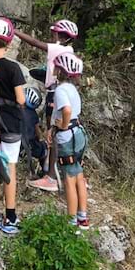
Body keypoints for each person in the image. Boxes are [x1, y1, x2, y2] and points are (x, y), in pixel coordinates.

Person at [17, 19, 78, 192]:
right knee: (59, 134)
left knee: (53, 133)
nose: (52, 36)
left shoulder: (59, 48)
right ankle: (58, 171)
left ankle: (50, 176)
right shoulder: (70, 50)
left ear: (62, 36)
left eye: (54, 33)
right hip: (60, 91)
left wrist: (14, 32)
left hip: (55, 93)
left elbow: (35, 43)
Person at [0, 17, 26, 235]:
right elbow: (20, 99)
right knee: (9, 165)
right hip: (10, 122)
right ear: (9, 42)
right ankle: (10, 216)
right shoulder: (14, 69)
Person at [50, 52, 89, 230]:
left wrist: (63, 126)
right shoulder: (73, 89)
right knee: (79, 175)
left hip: (68, 137)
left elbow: (66, 110)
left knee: (69, 178)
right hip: (78, 134)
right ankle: (82, 216)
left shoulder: (60, 90)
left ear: (62, 70)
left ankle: (71, 221)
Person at [22, 86, 48, 179]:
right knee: (44, 150)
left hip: (16, 142)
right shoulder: (33, 115)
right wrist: (42, 140)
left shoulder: (16, 111)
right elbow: (38, 133)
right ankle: (45, 172)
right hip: (30, 144)